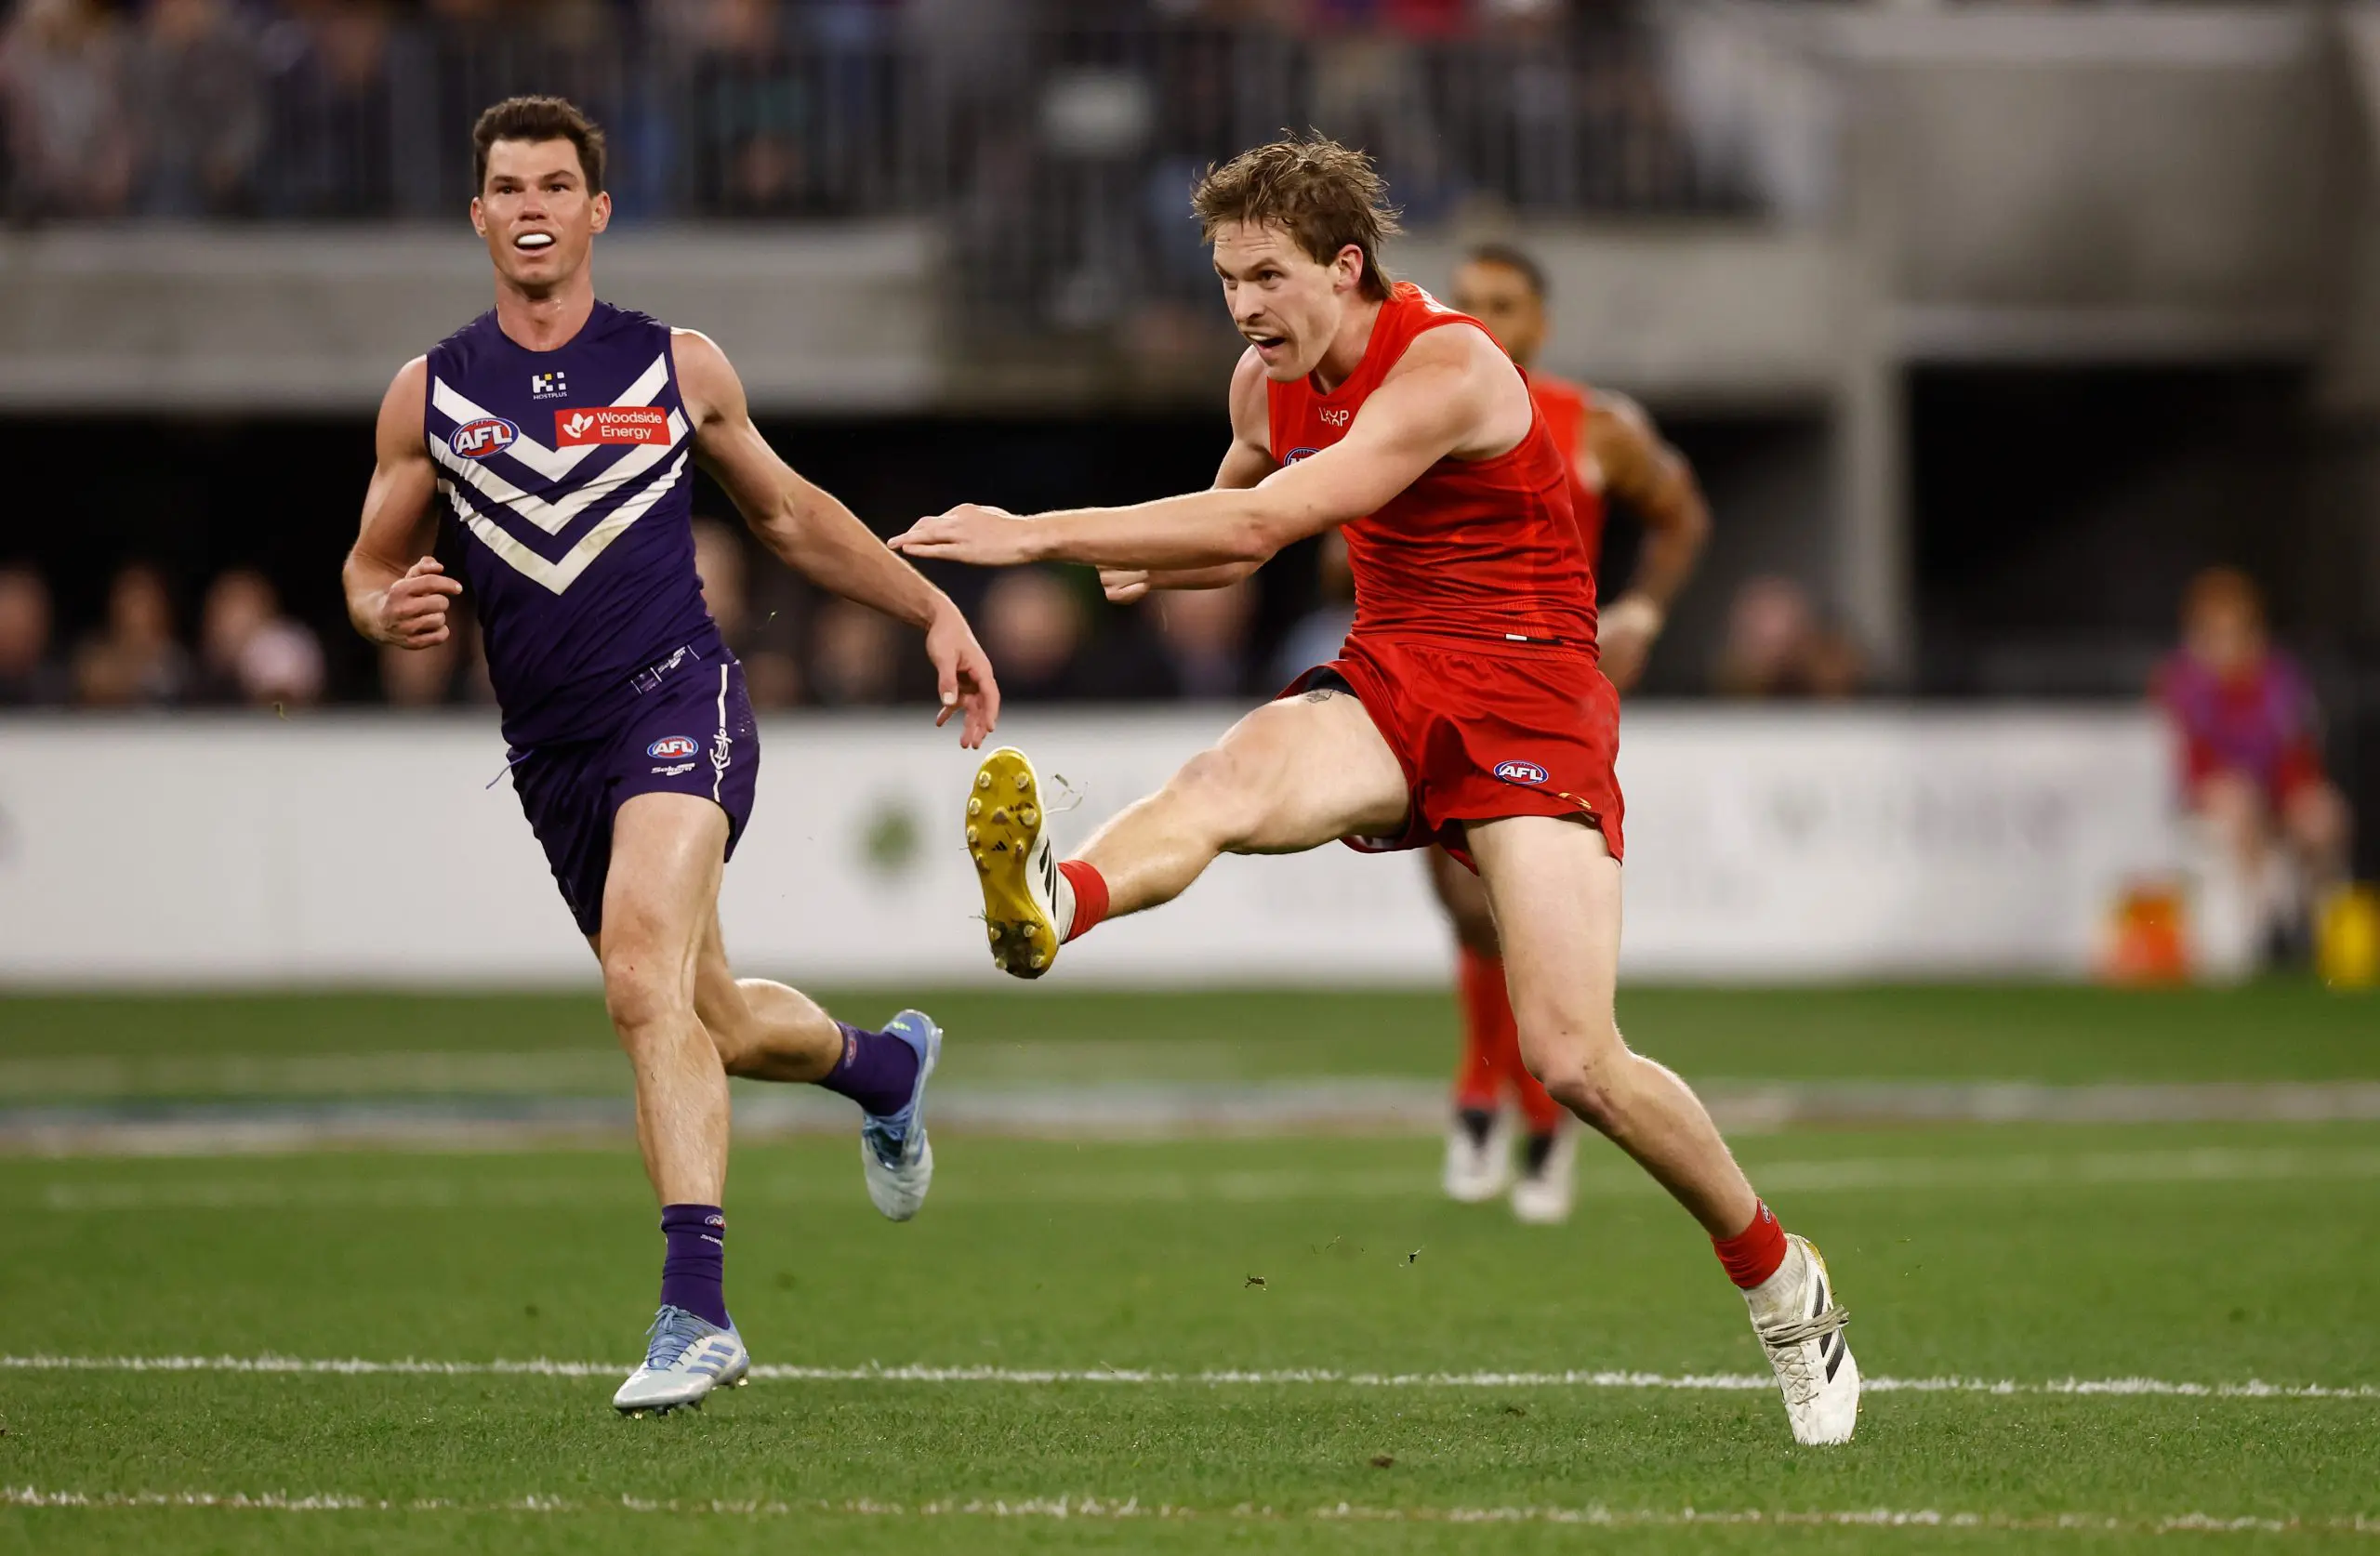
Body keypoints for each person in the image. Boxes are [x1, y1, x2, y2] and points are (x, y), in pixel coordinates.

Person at [892, 136, 1857, 1446]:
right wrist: (1150, 569)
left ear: (1347, 267)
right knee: (1226, 777)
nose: (1243, 306)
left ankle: (1780, 1278)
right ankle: (1060, 901)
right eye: (1227, 277)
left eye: (1268, 277)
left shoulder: (1451, 364)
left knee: (1574, 1058)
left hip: (1533, 698)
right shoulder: (1264, 381)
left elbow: (1255, 527)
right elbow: (1224, 528)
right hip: (1395, 672)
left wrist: (1045, 533)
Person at [340, 96, 999, 1418]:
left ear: (597, 210)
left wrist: (929, 607)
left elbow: (790, 516)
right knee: (702, 1012)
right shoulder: (428, 394)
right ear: (477, 215)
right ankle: (884, 1067)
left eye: (556, 185)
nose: (531, 205)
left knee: (640, 973)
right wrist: (383, 607)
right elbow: (367, 567)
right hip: (550, 752)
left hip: (677, 693)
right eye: (508, 187)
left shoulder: (676, 366)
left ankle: (695, 1311)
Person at [1429, 242, 1712, 1223]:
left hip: (1549, 698)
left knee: (1532, 915)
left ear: (1538, 323)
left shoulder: (1593, 424)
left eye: (1499, 304)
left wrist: (1640, 614)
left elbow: (1680, 515)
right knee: (1469, 910)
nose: (1479, 319)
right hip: (1437, 685)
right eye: (1462, 302)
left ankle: (1527, 1117)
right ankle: (1486, 1083)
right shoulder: (1413, 408)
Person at [2155, 567, 2352, 963]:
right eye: (2215, 632)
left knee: (2324, 816)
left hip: (2272, 797)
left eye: (2236, 631)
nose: (2227, 644)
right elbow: (2191, 763)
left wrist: (2299, 800)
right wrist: (2241, 795)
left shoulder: (2281, 681)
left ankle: (2328, 939)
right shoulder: (2183, 683)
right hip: (2214, 803)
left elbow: (2298, 757)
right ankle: (2258, 937)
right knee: (2238, 805)